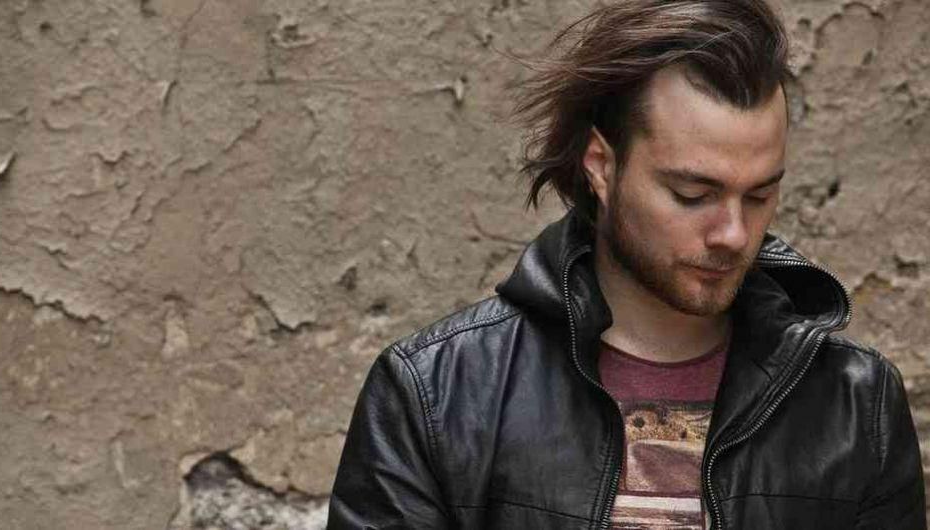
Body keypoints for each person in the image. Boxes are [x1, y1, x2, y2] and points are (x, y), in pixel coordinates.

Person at [327, 0, 926, 528]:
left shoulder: (857, 408)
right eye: (692, 195)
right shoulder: (437, 394)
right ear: (601, 167)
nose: (733, 233)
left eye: (759, 195)